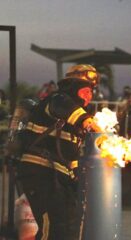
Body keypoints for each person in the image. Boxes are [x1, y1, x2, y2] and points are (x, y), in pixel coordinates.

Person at [16, 64, 101, 240]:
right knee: (53, 226)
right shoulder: (57, 99)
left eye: (91, 90)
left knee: (66, 225)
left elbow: (71, 154)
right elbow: (63, 107)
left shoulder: (73, 122)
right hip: (40, 171)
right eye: (85, 88)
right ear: (72, 84)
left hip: (57, 175)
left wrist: (76, 179)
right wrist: (89, 123)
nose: (88, 94)